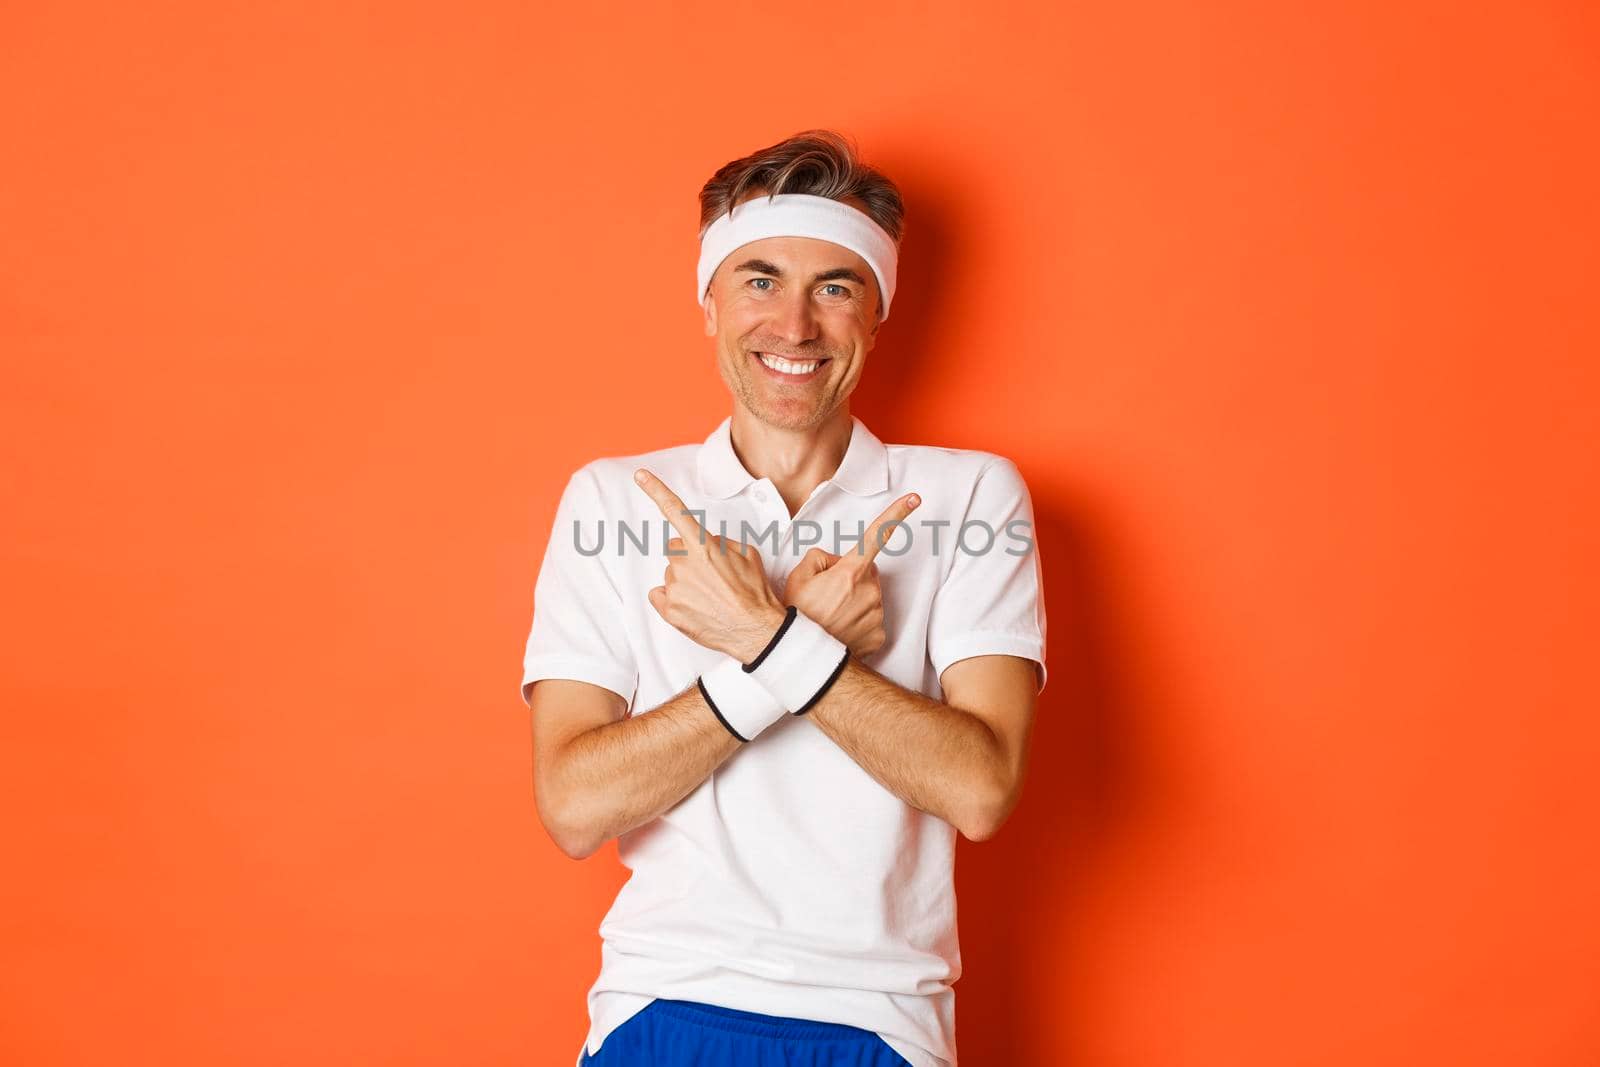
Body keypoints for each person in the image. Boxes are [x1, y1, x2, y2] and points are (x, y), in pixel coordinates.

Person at [519, 129, 1048, 1067]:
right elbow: (573, 807)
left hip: (881, 1020)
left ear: (878, 315)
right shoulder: (614, 500)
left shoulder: (969, 497)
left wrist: (764, 634)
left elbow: (980, 789)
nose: (795, 326)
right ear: (709, 306)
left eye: (834, 288)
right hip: (660, 1002)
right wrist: (792, 651)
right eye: (760, 280)